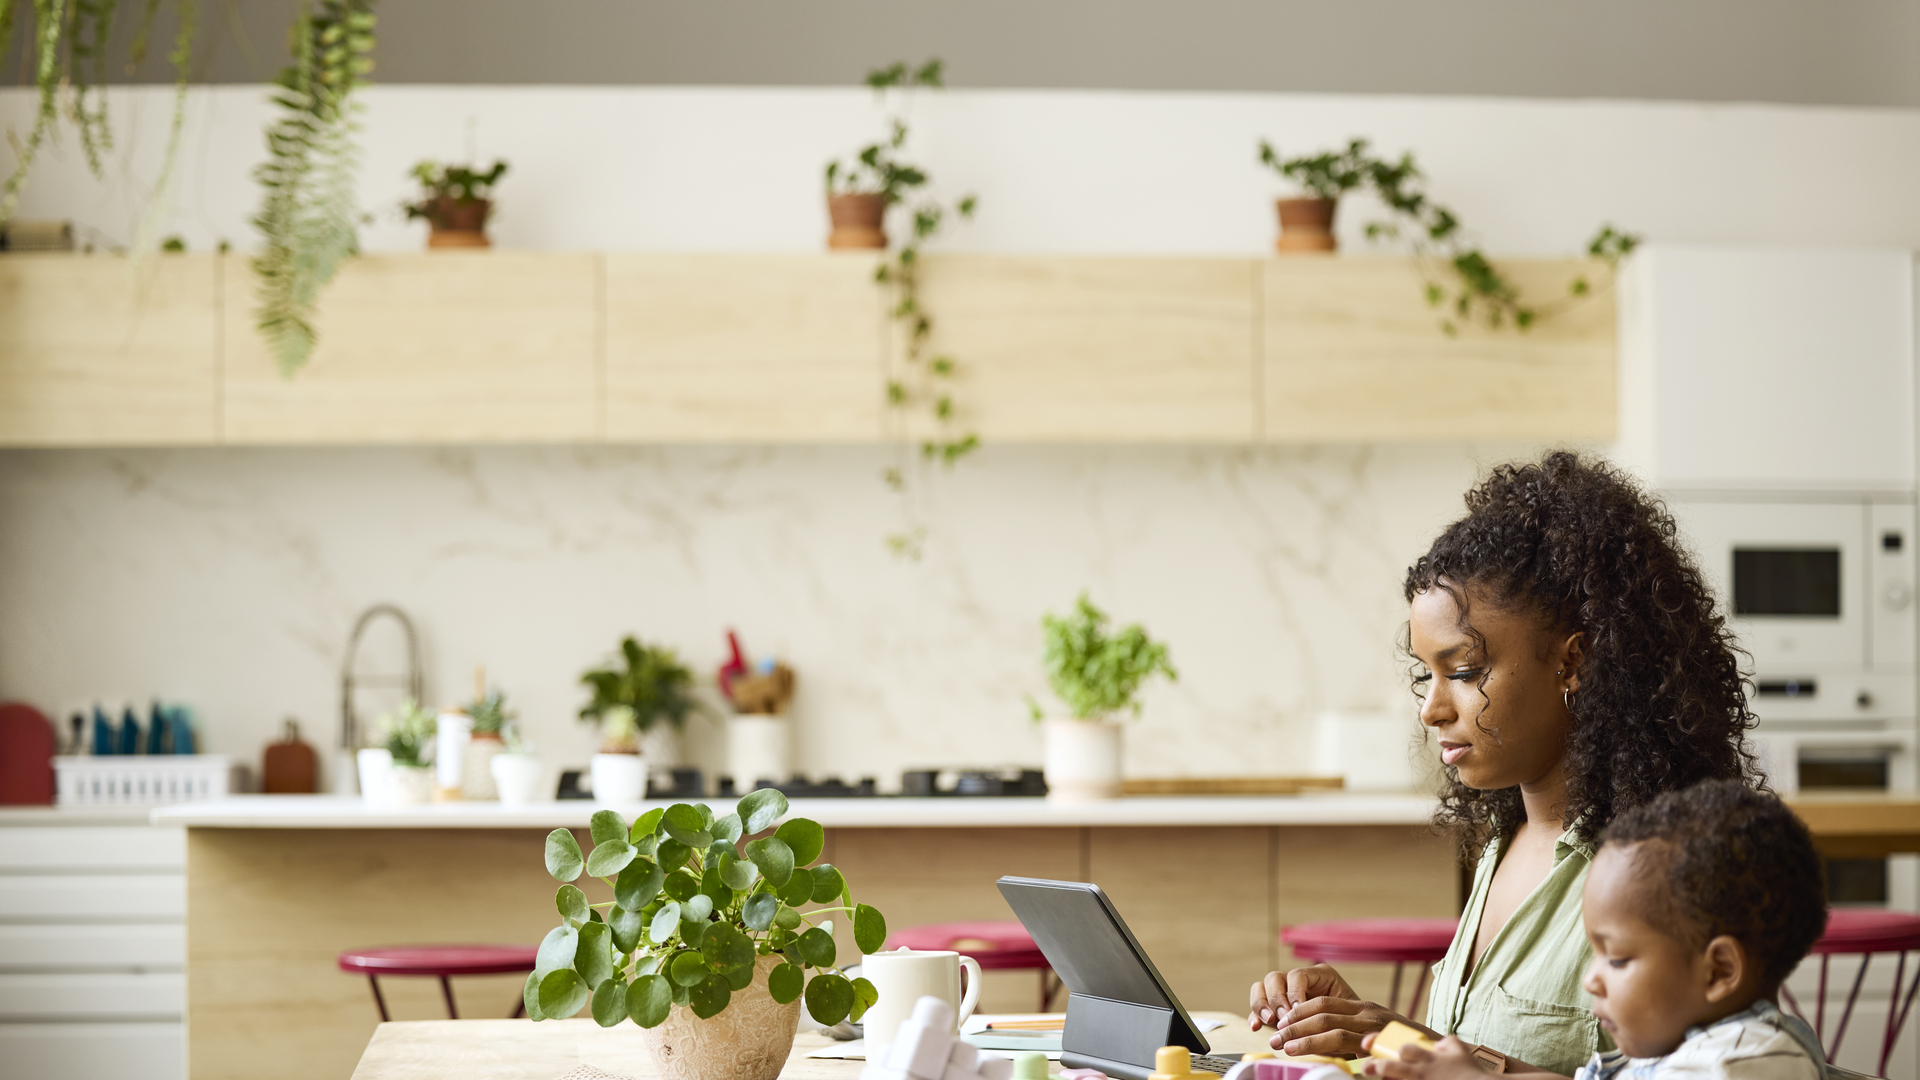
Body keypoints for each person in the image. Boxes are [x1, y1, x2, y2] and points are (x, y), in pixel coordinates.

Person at [1250, 451, 1762, 1077]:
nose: (1431, 710)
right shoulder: (1505, 841)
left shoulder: (1663, 875)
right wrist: (1369, 1033)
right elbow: (1469, 1058)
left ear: (1574, 663)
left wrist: (1418, 1047)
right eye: (1426, 675)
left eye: (1463, 672)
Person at [1363, 780, 1828, 1080]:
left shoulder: (1745, 1061)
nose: (1591, 979)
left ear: (1719, 970)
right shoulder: (1675, 1050)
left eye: (1618, 959)